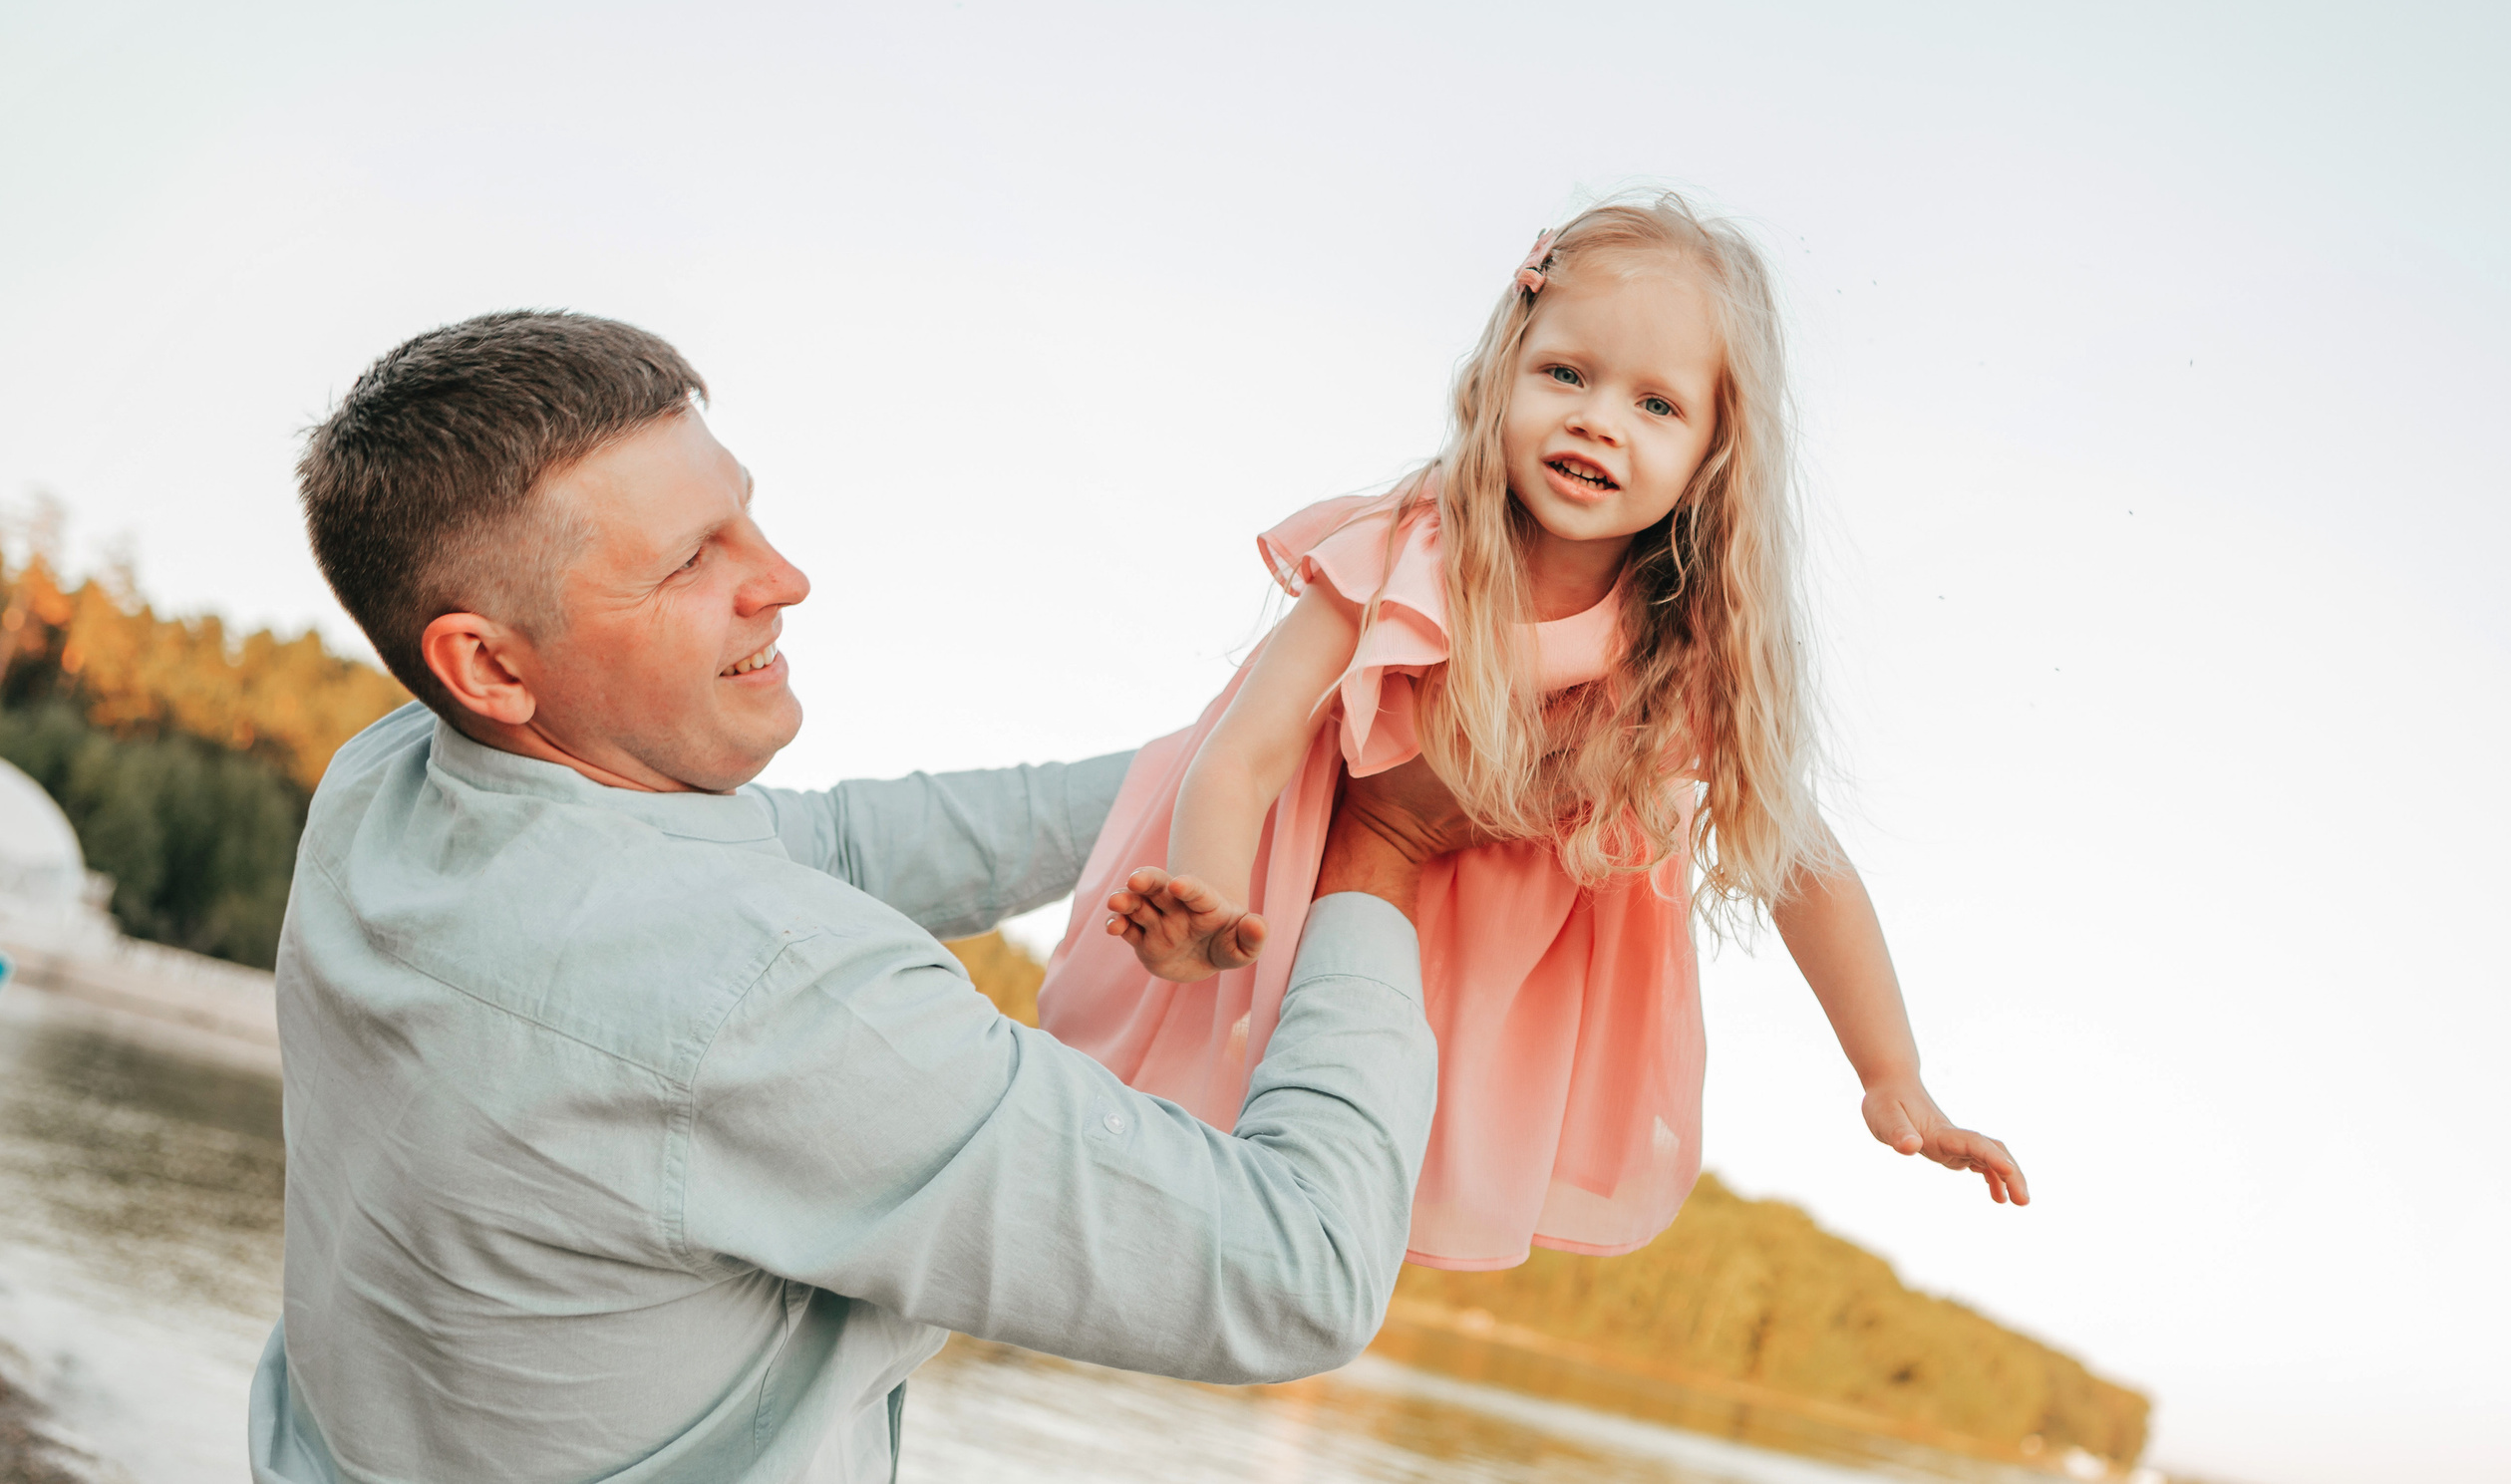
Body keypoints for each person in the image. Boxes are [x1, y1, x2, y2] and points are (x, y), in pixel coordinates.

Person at [250, 311, 1475, 1484]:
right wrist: (1381, 847)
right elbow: (1296, 1270)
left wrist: (1259, 757)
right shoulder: (766, 999)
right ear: (486, 663)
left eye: (743, 514)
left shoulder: (388, 779)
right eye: (689, 562)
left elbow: (830, 843)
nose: (783, 579)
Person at [1041, 195, 2027, 1274]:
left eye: (1656, 404)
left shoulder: (1681, 646)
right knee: (1163, 1139)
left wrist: (1890, 1070)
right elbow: (1248, 750)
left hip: (1471, 947)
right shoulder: (1407, 546)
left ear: (1712, 453)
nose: (1598, 420)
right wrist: (1207, 894)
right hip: (1293, 872)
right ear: (1502, 374)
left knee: (1340, 1166)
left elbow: (1800, 859)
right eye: (1566, 373)